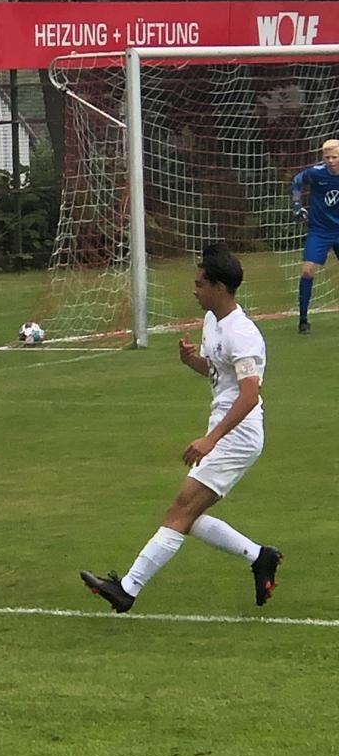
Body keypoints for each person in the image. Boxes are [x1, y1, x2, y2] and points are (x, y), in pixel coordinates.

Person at [80, 242, 281, 613]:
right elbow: (219, 372)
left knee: (179, 511)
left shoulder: (243, 333)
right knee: (189, 516)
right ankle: (259, 556)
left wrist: (211, 439)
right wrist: (193, 362)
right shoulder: (212, 322)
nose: (194, 290)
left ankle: (127, 589)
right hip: (224, 432)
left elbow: (250, 395)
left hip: (238, 437)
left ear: (220, 288)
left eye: (200, 284)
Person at [291, 137, 339, 334]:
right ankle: (303, 320)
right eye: (327, 157)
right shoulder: (316, 173)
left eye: (334, 157)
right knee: (307, 271)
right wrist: (297, 205)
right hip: (319, 230)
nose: (330, 161)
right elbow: (297, 182)